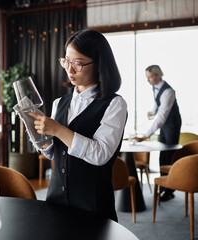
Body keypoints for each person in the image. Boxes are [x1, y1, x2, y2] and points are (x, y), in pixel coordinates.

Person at [29, 29, 127, 222]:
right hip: (56, 201)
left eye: (78, 63)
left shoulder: (115, 104)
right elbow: (55, 153)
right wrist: (42, 139)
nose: (70, 70)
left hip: (93, 206)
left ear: (99, 65)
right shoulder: (60, 103)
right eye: (66, 61)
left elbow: (100, 154)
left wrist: (58, 129)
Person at [136, 64, 181, 201]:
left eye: (149, 77)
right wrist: (151, 112)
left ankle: (169, 190)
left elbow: (162, 117)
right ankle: (163, 186)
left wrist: (146, 135)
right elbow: (158, 107)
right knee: (162, 155)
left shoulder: (168, 91)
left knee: (169, 156)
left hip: (172, 125)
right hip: (164, 125)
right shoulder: (155, 88)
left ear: (157, 75)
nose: (148, 80)